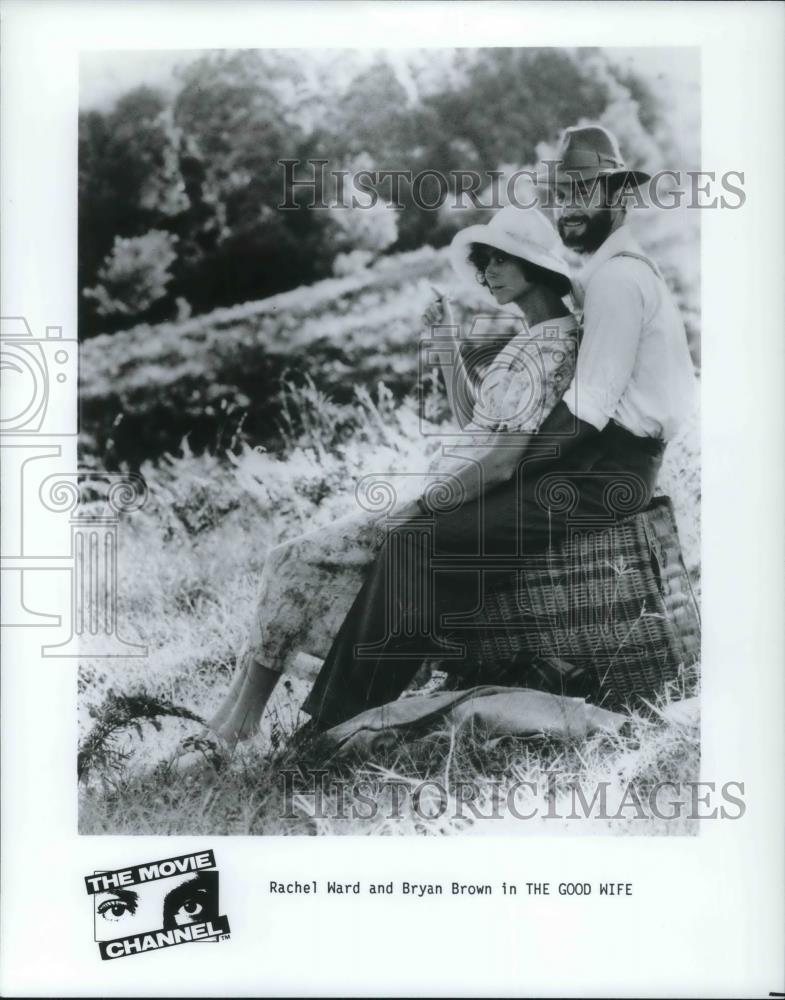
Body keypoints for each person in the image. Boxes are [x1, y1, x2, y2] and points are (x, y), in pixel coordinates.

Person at [298, 124, 697, 731]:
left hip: (605, 471)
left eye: (583, 191)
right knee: (432, 534)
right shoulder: (608, 275)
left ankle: (338, 724)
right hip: (593, 463)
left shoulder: (618, 279)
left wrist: (506, 471)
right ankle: (357, 709)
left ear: (619, 195)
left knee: (417, 542)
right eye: (561, 195)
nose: (568, 208)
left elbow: (588, 409)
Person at [208, 207, 579, 744]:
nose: (488, 272)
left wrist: (431, 500)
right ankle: (230, 718)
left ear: (535, 266)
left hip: (455, 498)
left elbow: (504, 459)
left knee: (288, 560)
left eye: (501, 260)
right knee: (293, 562)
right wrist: (446, 341)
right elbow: (476, 423)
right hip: (446, 486)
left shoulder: (553, 347)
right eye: (485, 261)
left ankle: (240, 724)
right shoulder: (533, 339)